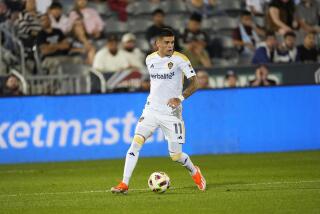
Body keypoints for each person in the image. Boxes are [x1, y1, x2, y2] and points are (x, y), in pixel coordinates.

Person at [111, 28, 206, 194]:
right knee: (136, 143)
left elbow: (195, 83)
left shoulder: (180, 59)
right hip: (151, 110)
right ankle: (124, 183)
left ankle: (194, 171)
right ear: (158, 44)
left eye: (172, 42)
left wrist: (180, 98)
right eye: (167, 42)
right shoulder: (150, 60)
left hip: (172, 113)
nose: (170, 46)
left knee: (176, 156)